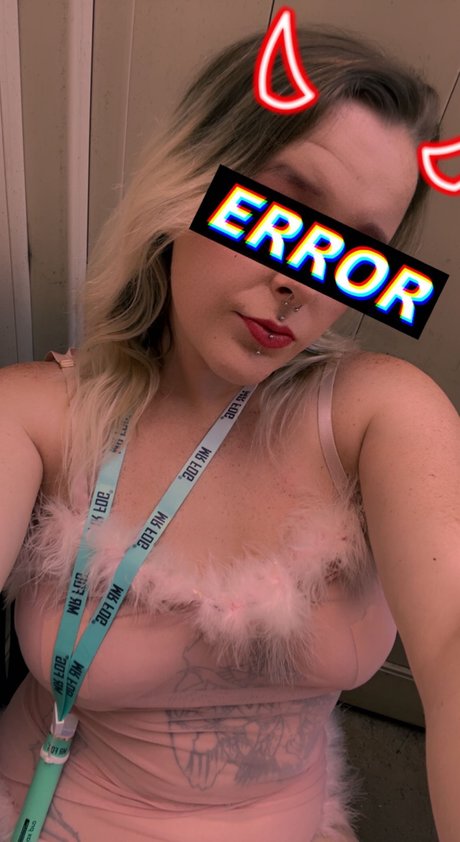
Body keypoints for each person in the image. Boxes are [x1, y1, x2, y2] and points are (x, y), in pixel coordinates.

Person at [0, 22, 459, 842]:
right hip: (51, 808)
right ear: (190, 181)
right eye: (284, 214)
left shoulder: (379, 414)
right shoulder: (39, 416)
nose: (300, 281)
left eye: (355, 253)